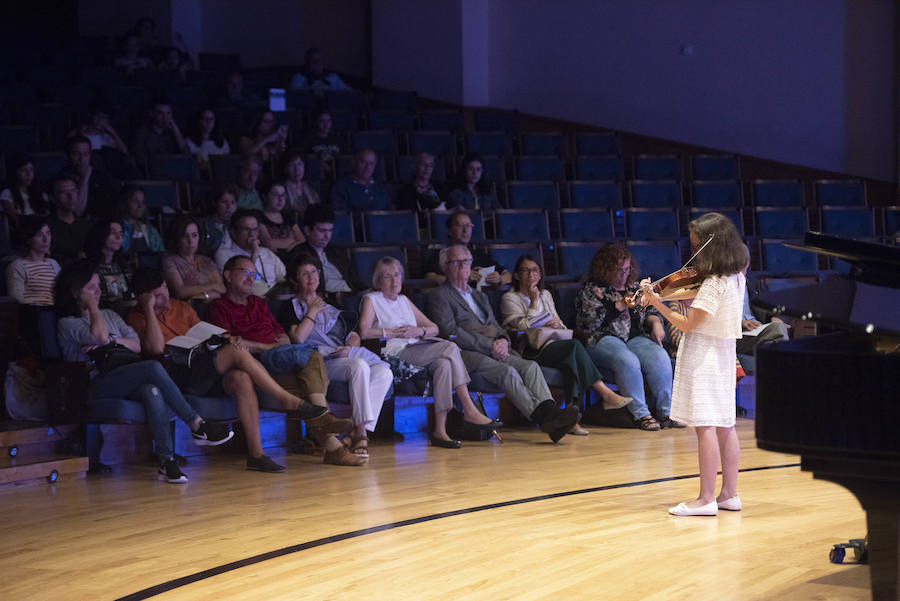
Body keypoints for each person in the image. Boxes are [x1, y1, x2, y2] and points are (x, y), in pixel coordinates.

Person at [126, 269, 333, 473]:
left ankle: (256, 455)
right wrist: (148, 310)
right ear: (144, 297)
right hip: (173, 376)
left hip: (200, 365)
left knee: (241, 377)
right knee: (236, 352)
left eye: (163, 289)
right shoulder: (137, 317)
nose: (163, 296)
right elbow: (155, 349)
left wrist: (225, 339)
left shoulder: (182, 308)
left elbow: (204, 334)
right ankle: (289, 400)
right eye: (155, 295)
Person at [54, 261, 233, 483]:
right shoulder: (67, 323)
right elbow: (98, 336)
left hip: (123, 375)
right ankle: (197, 424)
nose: (98, 292)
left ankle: (166, 461)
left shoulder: (110, 315)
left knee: (152, 391)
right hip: (94, 383)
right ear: (74, 292)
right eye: (91, 288)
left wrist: (112, 340)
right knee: (152, 367)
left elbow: (137, 344)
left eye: (99, 286)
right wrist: (92, 309)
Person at [638, 212, 749, 516]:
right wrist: (666, 293)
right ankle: (729, 494)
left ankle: (705, 499)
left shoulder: (714, 282)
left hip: (706, 358)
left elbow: (687, 325)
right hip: (724, 354)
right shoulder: (736, 275)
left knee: (706, 427)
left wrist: (657, 302)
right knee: (726, 425)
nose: (694, 252)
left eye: (698, 245)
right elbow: (696, 299)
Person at [208, 255, 364, 466]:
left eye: (254, 274)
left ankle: (327, 430)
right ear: (227, 275)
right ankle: (331, 441)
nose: (251, 278)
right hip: (252, 366)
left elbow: (283, 339)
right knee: (308, 369)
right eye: (245, 272)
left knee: (310, 363)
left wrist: (260, 345)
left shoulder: (258, 303)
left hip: (274, 361)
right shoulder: (218, 307)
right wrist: (263, 346)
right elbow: (232, 346)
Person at [427, 245, 580, 443]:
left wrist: (503, 341)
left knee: (531, 366)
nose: (463, 266)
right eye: (456, 262)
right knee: (507, 372)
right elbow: (451, 333)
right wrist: (488, 344)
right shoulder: (439, 296)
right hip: (463, 353)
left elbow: (497, 328)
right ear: (444, 267)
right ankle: (546, 420)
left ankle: (550, 414)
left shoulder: (479, 295)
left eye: (466, 261)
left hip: (494, 348)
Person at [359, 256, 497, 447]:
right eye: (387, 276)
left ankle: (440, 431)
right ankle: (468, 408)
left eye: (397, 275)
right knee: (450, 347)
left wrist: (419, 331)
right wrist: (392, 332)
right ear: (378, 280)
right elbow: (364, 332)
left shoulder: (404, 300)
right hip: (394, 353)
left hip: (416, 347)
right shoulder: (372, 299)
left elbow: (434, 328)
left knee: (444, 364)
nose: (394, 280)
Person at [500, 255, 633, 435]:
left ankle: (572, 418)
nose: (531, 274)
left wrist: (556, 324)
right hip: (531, 349)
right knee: (574, 348)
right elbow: (521, 327)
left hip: (556, 344)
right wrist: (533, 302)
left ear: (540, 275)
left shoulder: (545, 294)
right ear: (516, 275)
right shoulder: (510, 298)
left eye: (535, 270)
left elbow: (559, 323)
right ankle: (605, 393)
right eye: (526, 270)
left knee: (571, 360)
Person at [283, 253, 393, 456]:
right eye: (304, 273)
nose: (311, 277)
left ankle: (351, 434)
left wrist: (350, 343)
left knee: (385, 373)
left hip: (343, 355)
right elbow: (298, 338)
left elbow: (352, 334)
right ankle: (361, 434)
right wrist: (313, 311)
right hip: (317, 362)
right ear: (294, 279)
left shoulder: (331, 301)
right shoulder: (289, 307)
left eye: (314, 272)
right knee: (358, 366)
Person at [575, 244, 677, 431]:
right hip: (602, 338)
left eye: (627, 269)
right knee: (627, 360)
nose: (624, 274)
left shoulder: (635, 287)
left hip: (634, 339)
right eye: (618, 270)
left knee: (659, 356)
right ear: (605, 268)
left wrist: (655, 323)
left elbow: (651, 311)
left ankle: (666, 412)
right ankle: (642, 415)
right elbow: (591, 322)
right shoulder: (593, 290)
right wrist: (621, 304)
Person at [290, 204, 360, 305]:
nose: (327, 236)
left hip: (349, 298)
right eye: (322, 231)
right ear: (307, 230)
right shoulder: (298, 254)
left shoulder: (339, 252)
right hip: (325, 302)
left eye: (330, 230)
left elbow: (354, 281)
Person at [423, 211, 510, 287]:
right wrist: (462, 278)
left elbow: (508, 275)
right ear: (449, 230)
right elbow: (430, 278)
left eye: (469, 226)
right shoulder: (441, 255)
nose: (465, 230)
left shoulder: (480, 255)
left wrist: (500, 279)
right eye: (460, 225)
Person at [214, 209, 286, 296]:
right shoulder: (224, 254)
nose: (252, 234)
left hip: (275, 299)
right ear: (233, 232)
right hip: (249, 300)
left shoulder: (266, 252)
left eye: (255, 229)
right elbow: (235, 287)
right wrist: (254, 255)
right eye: (246, 229)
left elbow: (284, 278)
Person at [162, 215, 226, 301]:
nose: (191, 241)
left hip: (215, 306)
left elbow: (222, 289)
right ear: (176, 238)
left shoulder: (207, 260)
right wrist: (213, 287)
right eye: (185, 236)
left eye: (194, 235)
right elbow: (180, 291)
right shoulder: (170, 261)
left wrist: (202, 296)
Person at [60, 135, 121, 218]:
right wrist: (85, 177)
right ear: (68, 155)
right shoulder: (62, 180)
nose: (81, 159)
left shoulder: (102, 177)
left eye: (85, 154)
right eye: (76, 154)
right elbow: (76, 213)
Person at [5, 216, 59, 306]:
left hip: (56, 311)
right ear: (28, 239)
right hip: (35, 313)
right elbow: (15, 298)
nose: (46, 240)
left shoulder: (53, 263)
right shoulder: (18, 266)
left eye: (48, 234)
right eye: (39, 235)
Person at [85, 219, 134, 307]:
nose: (118, 237)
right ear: (101, 235)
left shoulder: (123, 265)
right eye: (113, 233)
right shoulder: (89, 266)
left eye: (121, 233)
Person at [395, 152, 446, 231]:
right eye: (423, 164)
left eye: (430, 165)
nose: (427, 168)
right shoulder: (406, 191)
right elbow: (409, 218)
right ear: (415, 166)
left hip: (443, 226)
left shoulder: (440, 188)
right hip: (421, 229)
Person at [331, 148, 391, 213]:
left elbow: (391, 213)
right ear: (354, 162)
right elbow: (341, 216)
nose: (367, 167)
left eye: (371, 163)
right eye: (363, 162)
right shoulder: (341, 186)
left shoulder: (381, 187)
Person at [46, 175, 91, 261]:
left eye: (73, 191)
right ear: (52, 198)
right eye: (63, 192)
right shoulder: (47, 228)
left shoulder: (86, 225)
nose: (71, 196)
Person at [133, 102, 189, 167]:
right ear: (152, 114)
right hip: (154, 172)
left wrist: (177, 131)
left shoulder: (172, 133)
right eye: (160, 113)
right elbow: (140, 159)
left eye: (168, 113)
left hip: (172, 171)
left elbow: (187, 157)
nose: (165, 118)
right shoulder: (143, 133)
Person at [258, 181, 305, 255]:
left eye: (283, 195)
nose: (280, 199)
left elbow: (302, 241)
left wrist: (287, 245)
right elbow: (269, 244)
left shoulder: (288, 217)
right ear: (265, 197)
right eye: (275, 195)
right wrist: (292, 240)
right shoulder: (258, 217)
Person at [1, 153, 49, 225]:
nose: (29, 174)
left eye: (31, 169)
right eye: (23, 170)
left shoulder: (41, 193)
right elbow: (15, 221)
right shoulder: (7, 193)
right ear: (15, 172)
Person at [117, 185, 164, 254]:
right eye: (136, 201)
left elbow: (161, 254)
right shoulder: (117, 229)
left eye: (143, 202)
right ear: (125, 202)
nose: (140, 206)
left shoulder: (150, 230)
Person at [186, 108, 231, 174]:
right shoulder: (190, 142)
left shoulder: (222, 142)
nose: (208, 122)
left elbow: (227, 163)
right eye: (205, 119)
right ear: (199, 121)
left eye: (211, 119)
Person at [197, 183, 237, 256]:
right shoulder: (203, 225)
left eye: (233, 202)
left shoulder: (238, 225)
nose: (229, 207)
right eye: (224, 202)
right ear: (214, 203)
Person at [280, 149, 320, 218]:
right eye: (291, 165)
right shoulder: (281, 189)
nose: (297, 169)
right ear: (285, 169)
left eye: (300, 164)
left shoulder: (310, 188)